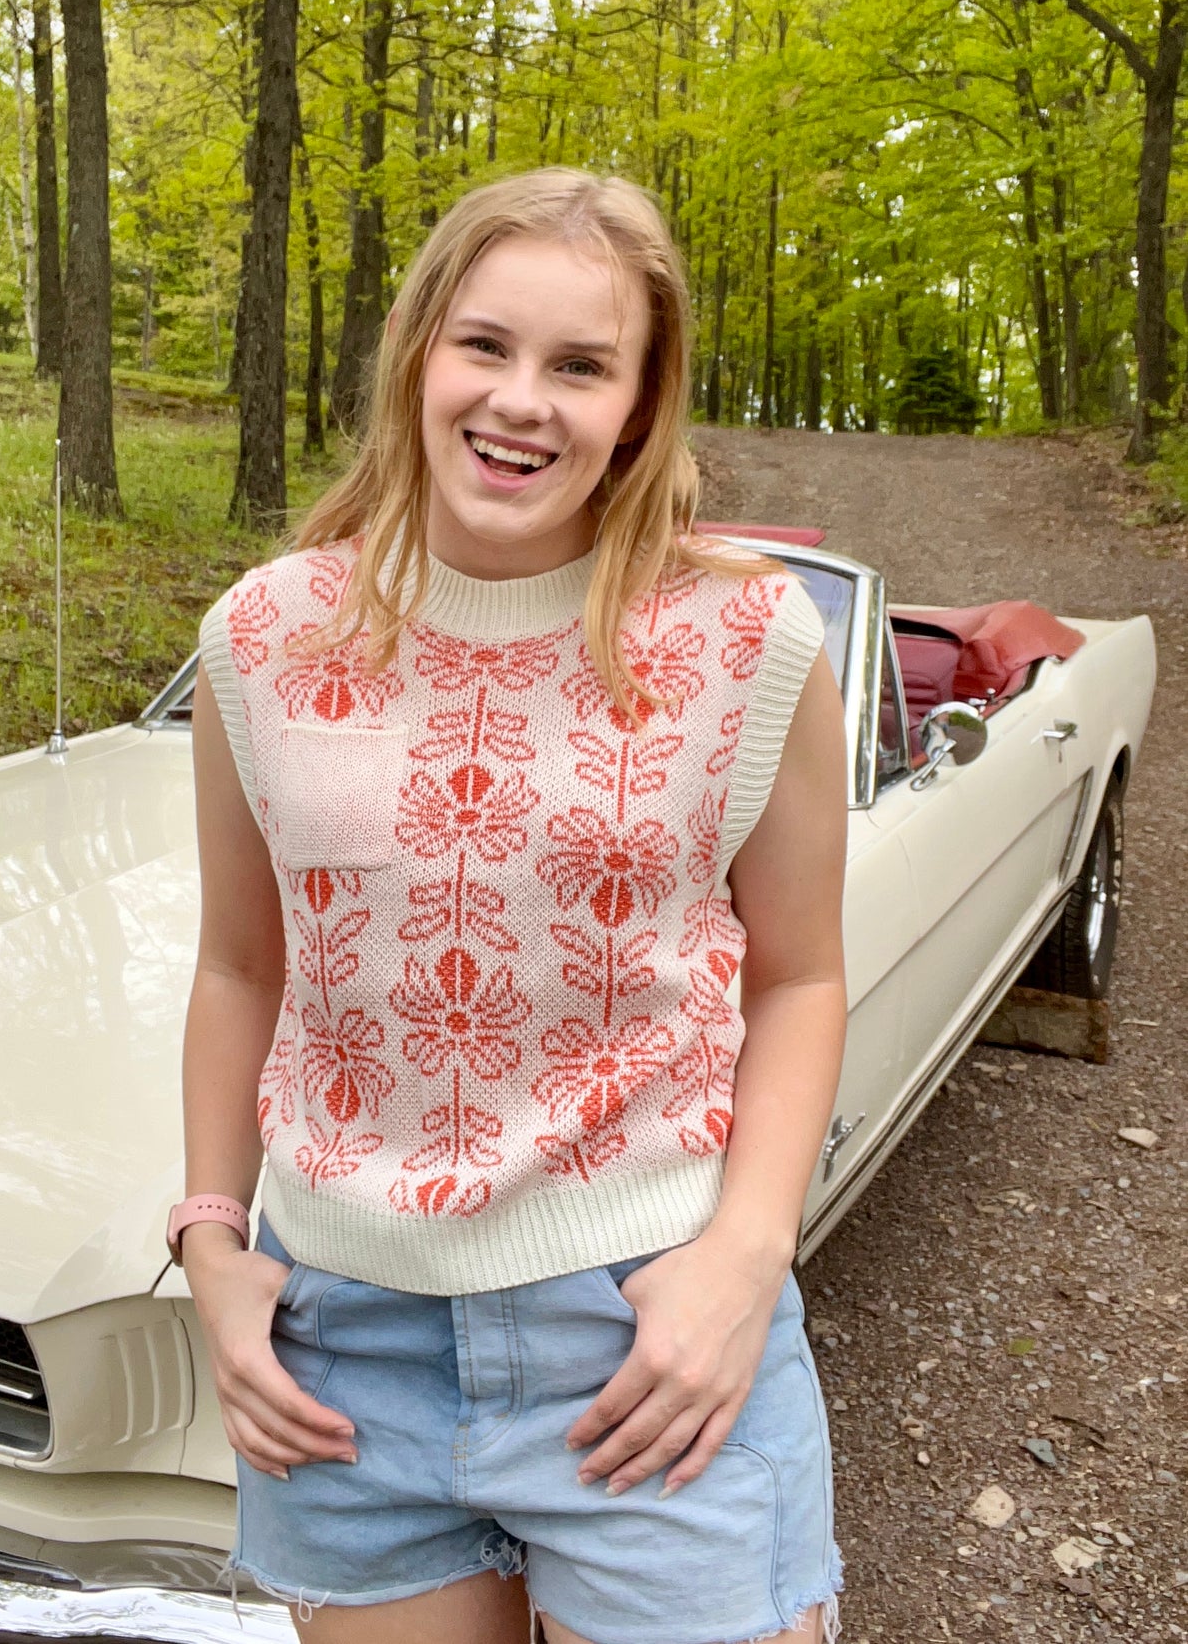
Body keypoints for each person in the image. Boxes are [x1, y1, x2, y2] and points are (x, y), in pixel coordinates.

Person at [177, 168, 849, 1644]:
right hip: (338, 1351)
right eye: (485, 345)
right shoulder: (265, 633)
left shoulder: (744, 639)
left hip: (645, 1336)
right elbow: (240, 966)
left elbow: (797, 980)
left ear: (639, 402)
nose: (522, 400)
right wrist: (213, 1249)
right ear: (417, 351)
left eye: (580, 364)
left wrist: (745, 1255)